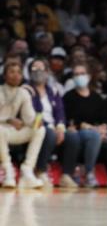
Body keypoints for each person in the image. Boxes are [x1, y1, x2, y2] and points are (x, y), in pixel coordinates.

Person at [62, 63, 107, 188]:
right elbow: (70, 119)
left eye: (82, 73)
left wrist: (103, 127)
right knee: (94, 136)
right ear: (73, 78)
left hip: (96, 129)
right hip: (80, 131)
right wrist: (92, 128)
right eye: (76, 74)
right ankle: (88, 174)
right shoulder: (68, 96)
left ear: (89, 76)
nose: (80, 76)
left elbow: (104, 118)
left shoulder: (96, 97)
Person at [1, 60, 45, 189]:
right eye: (12, 72)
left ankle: (27, 170)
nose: (16, 75)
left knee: (40, 130)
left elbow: (28, 117)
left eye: (19, 72)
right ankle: (8, 171)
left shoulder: (23, 92)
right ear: (4, 75)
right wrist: (8, 120)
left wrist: (36, 121)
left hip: (12, 132)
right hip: (1, 130)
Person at [25, 58, 66, 187]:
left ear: (47, 71)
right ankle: (41, 170)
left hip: (53, 126)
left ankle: (67, 174)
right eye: (34, 69)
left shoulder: (53, 90)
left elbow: (59, 111)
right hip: (35, 125)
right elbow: (32, 112)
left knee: (73, 137)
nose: (37, 71)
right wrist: (51, 127)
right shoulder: (26, 89)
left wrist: (60, 127)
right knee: (49, 133)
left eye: (41, 68)